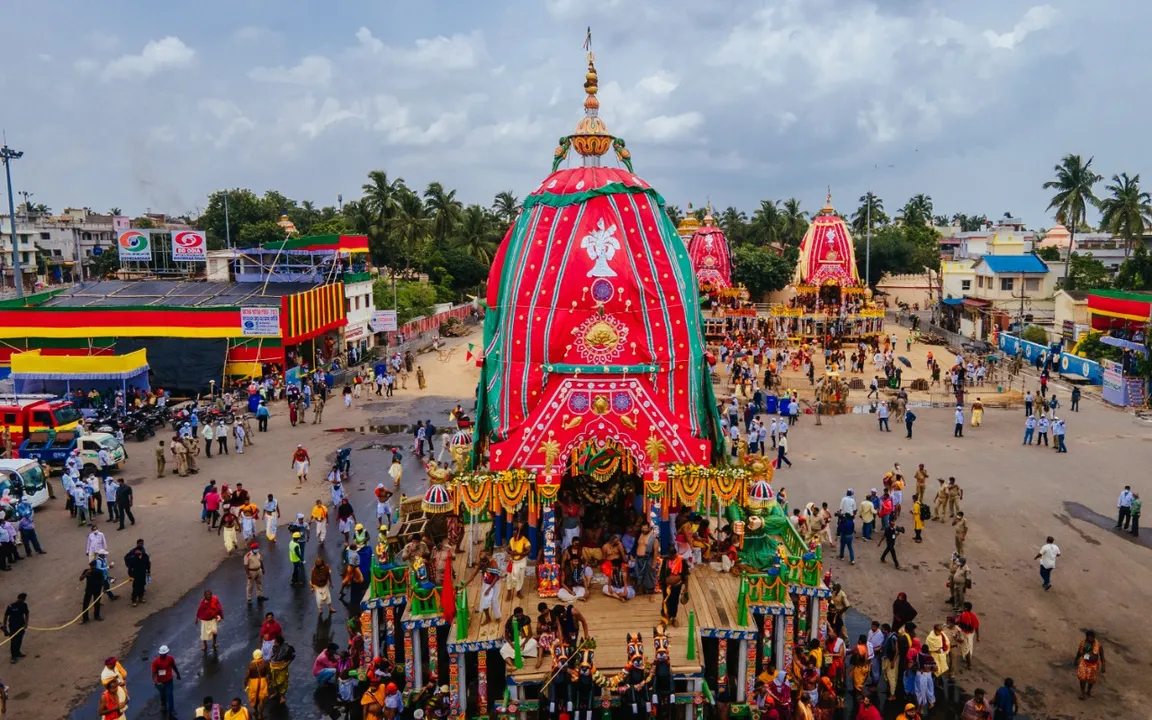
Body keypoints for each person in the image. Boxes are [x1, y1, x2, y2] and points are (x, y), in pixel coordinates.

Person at [151, 645, 180, 719]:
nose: (163, 655)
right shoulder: (155, 662)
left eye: (164, 654)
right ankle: (163, 705)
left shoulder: (170, 659)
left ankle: (171, 710)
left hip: (169, 680)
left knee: (169, 694)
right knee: (162, 694)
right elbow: (153, 673)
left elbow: (174, 666)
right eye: (162, 654)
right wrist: (156, 682)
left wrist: (178, 674)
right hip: (160, 682)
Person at [1075, 629, 1105, 700]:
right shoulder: (1083, 643)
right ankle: (1082, 693)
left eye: (1092, 637)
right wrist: (1076, 660)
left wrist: (1103, 666)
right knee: (1082, 678)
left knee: (1091, 680)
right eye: (1089, 637)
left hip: (1093, 665)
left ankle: (1088, 691)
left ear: (1094, 638)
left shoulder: (1098, 645)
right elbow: (1079, 652)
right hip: (1084, 663)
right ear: (1087, 637)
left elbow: (1102, 656)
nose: (1090, 639)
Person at [660, 550, 686, 626]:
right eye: (669, 554)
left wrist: (686, 588)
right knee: (665, 600)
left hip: (676, 585)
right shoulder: (666, 561)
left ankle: (673, 617)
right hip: (666, 585)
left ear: (675, 554)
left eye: (671, 555)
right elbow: (662, 572)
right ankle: (665, 616)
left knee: (674, 600)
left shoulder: (681, 561)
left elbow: (686, 575)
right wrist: (661, 583)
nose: (670, 556)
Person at [506, 523, 530, 601]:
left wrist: (519, 553)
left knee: (520, 577)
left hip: (521, 562)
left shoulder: (524, 540)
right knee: (509, 577)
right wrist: (511, 552)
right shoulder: (512, 539)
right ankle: (509, 592)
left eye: (516, 534)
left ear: (520, 534)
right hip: (512, 562)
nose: (514, 536)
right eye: (513, 534)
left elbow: (528, 551)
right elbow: (507, 548)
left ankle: (518, 592)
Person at [124, 539, 151, 607]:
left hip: (143, 572)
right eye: (140, 543)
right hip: (136, 573)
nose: (141, 545)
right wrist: (130, 575)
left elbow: (148, 563)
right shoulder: (133, 555)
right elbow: (130, 566)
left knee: (142, 585)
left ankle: (141, 597)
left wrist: (148, 571)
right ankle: (134, 600)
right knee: (136, 587)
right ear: (137, 544)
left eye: (142, 543)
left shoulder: (144, 555)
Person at [196, 589, 224, 653]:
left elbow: (219, 607)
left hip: (212, 619)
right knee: (204, 633)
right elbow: (199, 610)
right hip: (205, 620)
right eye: (207, 595)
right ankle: (204, 645)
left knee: (214, 631)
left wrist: (220, 616)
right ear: (204, 596)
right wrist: (196, 618)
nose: (209, 596)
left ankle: (214, 643)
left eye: (210, 594)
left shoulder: (215, 599)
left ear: (212, 594)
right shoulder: (203, 602)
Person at [3, 593, 29, 662]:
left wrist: (26, 623)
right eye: (22, 599)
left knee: (19, 640)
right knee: (14, 641)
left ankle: (17, 653)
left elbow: (27, 613)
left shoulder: (24, 605)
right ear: (18, 598)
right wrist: (5, 627)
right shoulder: (11, 606)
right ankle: (13, 656)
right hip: (13, 626)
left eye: (24, 599)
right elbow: (6, 616)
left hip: (21, 626)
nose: (23, 600)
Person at [245, 650, 270, 717]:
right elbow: (268, 674)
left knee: (254, 697)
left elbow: (247, 676)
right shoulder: (265, 663)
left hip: (253, 683)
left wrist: (245, 684)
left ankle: (255, 710)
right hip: (263, 682)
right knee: (261, 699)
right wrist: (268, 682)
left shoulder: (251, 664)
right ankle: (260, 714)